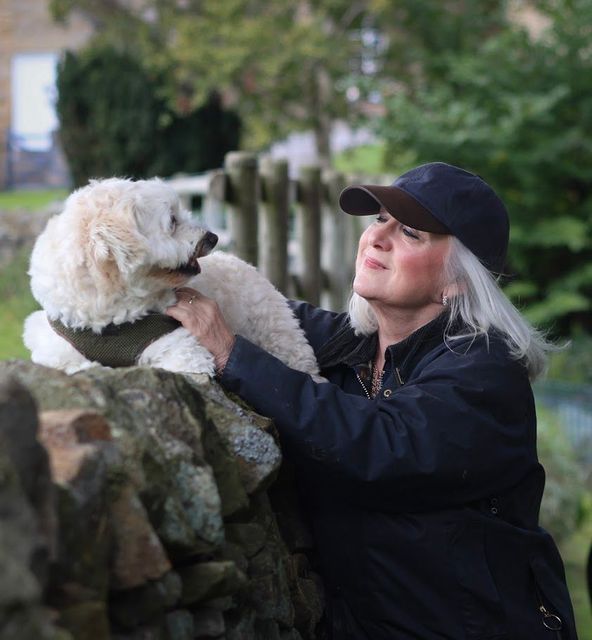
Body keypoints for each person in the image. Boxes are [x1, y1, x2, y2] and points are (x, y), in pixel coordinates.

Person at [166, 162, 578, 640]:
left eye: (409, 233)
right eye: (378, 219)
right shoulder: (353, 344)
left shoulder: (485, 372)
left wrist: (232, 354)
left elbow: (380, 445)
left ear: (458, 279)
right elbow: (266, 312)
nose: (377, 237)